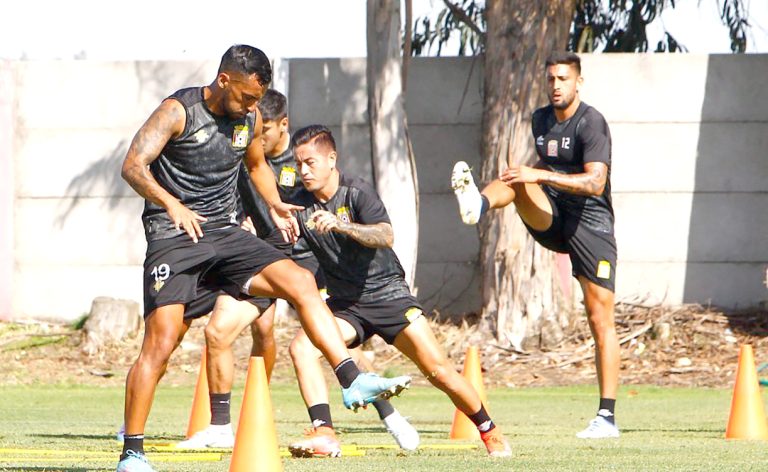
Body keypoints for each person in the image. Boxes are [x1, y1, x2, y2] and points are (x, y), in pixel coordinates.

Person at [116, 45, 411, 472]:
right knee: (160, 345)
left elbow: (255, 165)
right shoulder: (177, 111)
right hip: (175, 235)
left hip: (224, 233)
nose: (254, 107)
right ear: (224, 81)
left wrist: (273, 203)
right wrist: (172, 205)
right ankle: (132, 453)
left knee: (300, 282)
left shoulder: (249, 119)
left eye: (258, 99)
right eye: (248, 97)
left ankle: (352, 379)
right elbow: (133, 166)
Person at [178, 90, 419, 452]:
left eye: (265, 130)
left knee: (333, 346)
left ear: (282, 127)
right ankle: (221, 425)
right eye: (254, 130)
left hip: (309, 269)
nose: (256, 137)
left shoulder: (304, 165)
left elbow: (337, 204)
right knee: (217, 331)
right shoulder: (245, 159)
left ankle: (386, 414)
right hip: (263, 261)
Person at [284, 125, 511, 458]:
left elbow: (385, 235)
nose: (303, 170)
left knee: (439, 371)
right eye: (299, 163)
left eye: (311, 162)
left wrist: (342, 225)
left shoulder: (356, 191)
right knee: (301, 347)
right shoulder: (297, 205)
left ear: (332, 159)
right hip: (346, 305)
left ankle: (489, 430)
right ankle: (325, 432)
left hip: (389, 296)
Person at [451, 51, 620, 439]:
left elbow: (595, 183)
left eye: (563, 79)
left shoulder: (591, 123)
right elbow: (533, 174)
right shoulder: (540, 120)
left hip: (591, 225)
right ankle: (477, 204)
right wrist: (532, 176)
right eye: (551, 79)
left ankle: (606, 418)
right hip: (553, 216)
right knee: (514, 177)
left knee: (599, 318)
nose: (556, 86)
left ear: (579, 82)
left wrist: (540, 175)